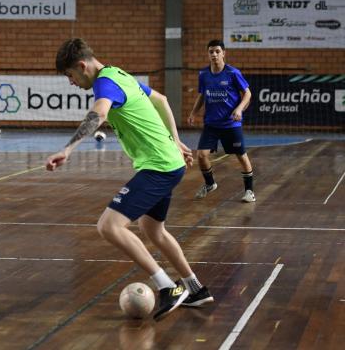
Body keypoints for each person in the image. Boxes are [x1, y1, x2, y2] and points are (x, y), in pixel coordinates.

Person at [46, 38, 214, 320]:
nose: (71, 83)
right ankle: (195, 289)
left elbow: (98, 114)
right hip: (166, 163)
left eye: (70, 76)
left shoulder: (105, 83)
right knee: (153, 230)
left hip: (158, 166)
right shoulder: (118, 73)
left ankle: (167, 288)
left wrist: (67, 148)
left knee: (109, 226)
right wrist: (174, 139)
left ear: (81, 66)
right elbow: (161, 100)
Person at [188, 39, 255, 203]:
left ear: (223, 53)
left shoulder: (233, 73)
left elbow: (247, 94)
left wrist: (239, 109)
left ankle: (249, 191)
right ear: (208, 54)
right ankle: (210, 184)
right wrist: (193, 113)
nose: (214, 54)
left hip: (230, 124)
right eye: (211, 51)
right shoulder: (203, 74)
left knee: (240, 155)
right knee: (201, 155)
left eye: (217, 51)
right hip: (211, 123)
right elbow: (202, 95)